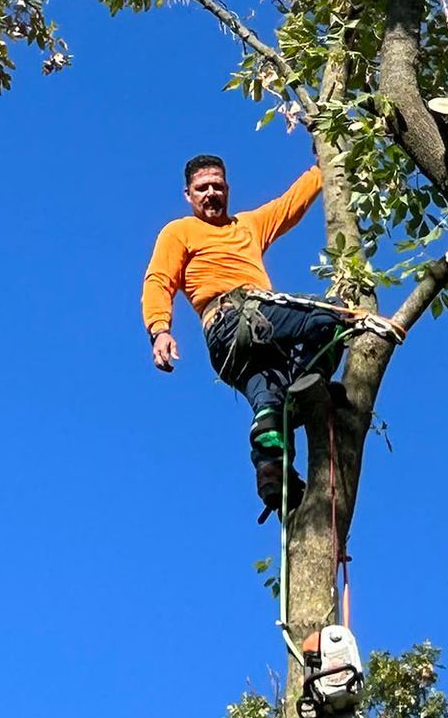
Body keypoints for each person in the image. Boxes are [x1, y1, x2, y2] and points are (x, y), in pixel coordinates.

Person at [141, 152, 397, 517]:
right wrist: (159, 330)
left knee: (270, 406)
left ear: (228, 189)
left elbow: (288, 206)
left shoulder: (247, 225)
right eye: (202, 188)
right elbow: (159, 280)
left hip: (256, 342)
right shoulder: (179, 231)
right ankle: (311, 388)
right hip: (233, 322)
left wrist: (322, 164)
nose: (211, 193)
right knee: (329, 318)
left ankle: (275, 478)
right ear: (188, 195)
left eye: (217, 186)